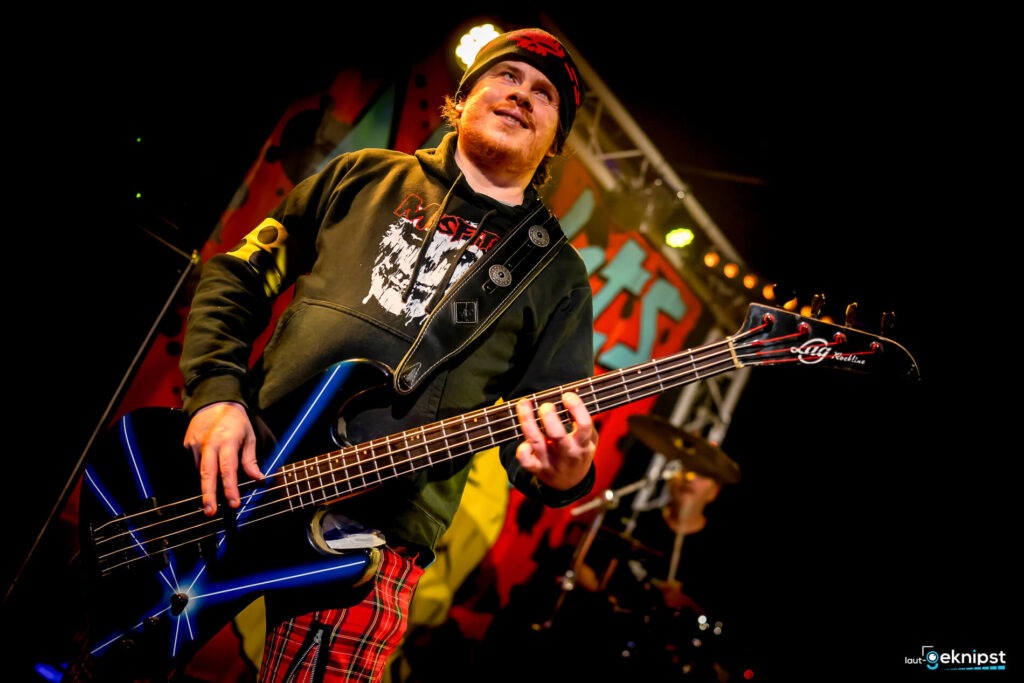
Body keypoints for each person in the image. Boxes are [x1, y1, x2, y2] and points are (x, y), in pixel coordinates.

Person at [64, 26, 597, 683]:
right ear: (463, 96)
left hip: (372, 534)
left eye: (544, 94)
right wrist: (215, 397)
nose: (521, 95)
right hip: (238, 470)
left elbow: (545, 433)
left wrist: (565, 472)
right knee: (113, 667)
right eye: (507, 76)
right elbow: (239, 276)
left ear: (554, 140)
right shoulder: (363, 174)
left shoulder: (556, 275)